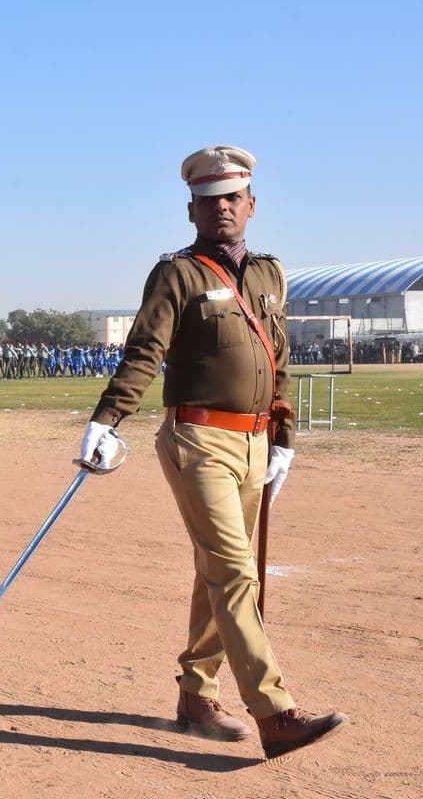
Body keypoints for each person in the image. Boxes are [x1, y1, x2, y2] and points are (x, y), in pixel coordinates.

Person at [80, 145, 346, 759]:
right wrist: (107, 419)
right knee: (234, 571)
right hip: (198, 439)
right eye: (209, 200)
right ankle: (274, 712)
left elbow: (277, 360)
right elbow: (144, 350)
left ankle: (197, 693)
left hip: (255, 441)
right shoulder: (178, 274)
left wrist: (284, 439)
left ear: (252, 205)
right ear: (191, 210)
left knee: (217, 571)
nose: (222, 208)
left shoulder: (270, 275)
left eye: (232, 198)